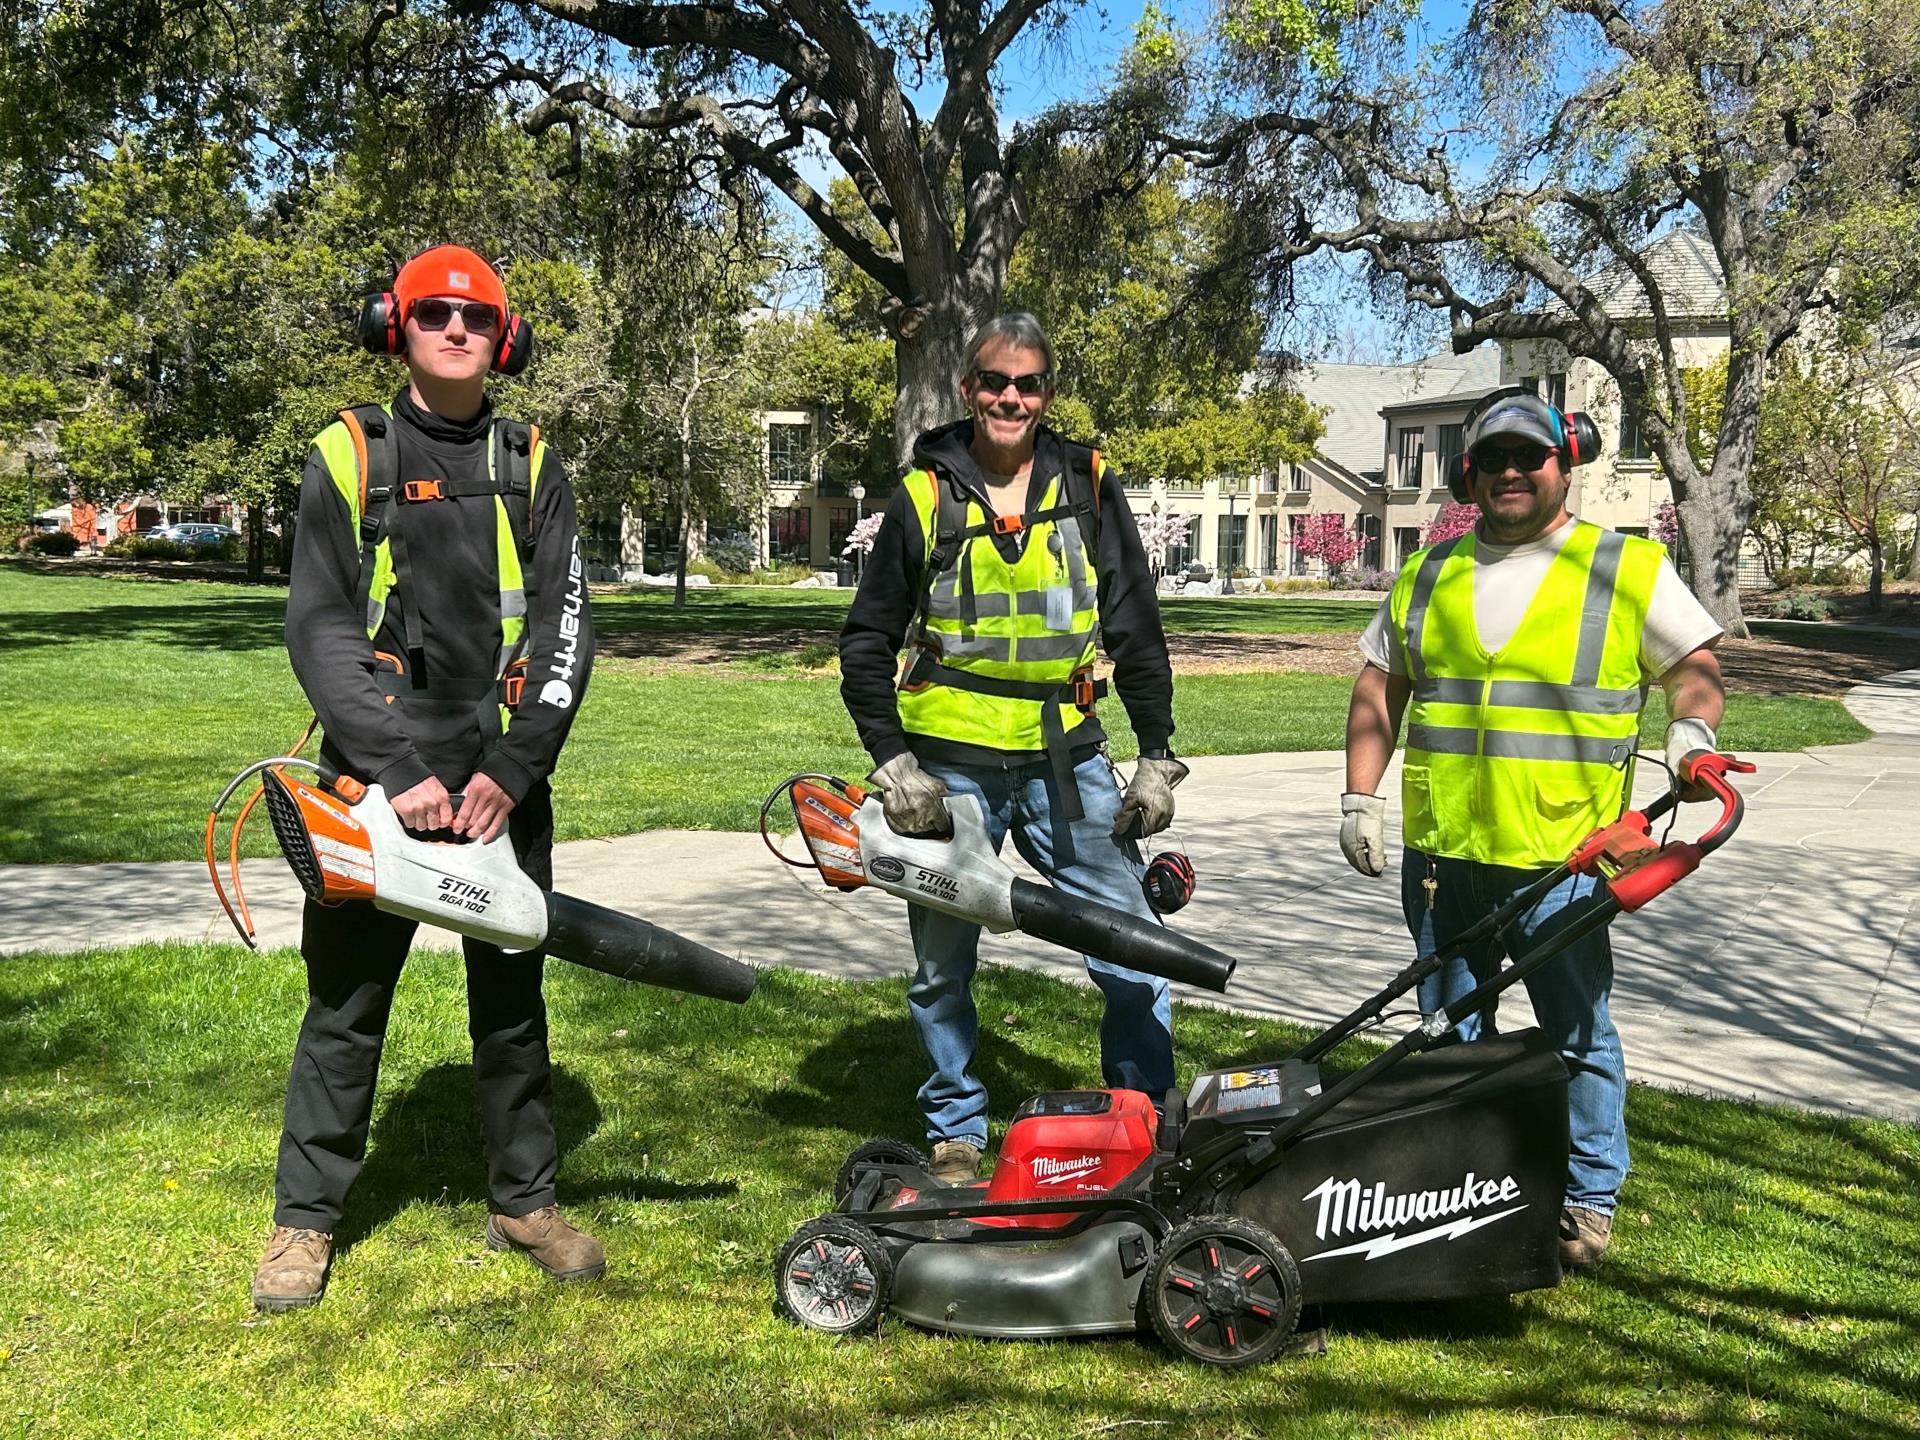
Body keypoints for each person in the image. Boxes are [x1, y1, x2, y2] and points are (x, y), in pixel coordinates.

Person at [251, 245, 598, 1310]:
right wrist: (395, 768)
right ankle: (303, 1225)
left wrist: (513, 763)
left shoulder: (531, 459)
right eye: (436, 313)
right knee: (346, 1006)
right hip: (375, 778)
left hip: (501, 775)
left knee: (512, 1001)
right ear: (393, 324)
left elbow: (567, 627)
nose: (458, 330)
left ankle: (525, 1200)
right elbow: (318, 625)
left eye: (479, 318)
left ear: (508, 340)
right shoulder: (349, 451)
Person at [1340, 388, 1728, 1270]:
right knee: (1450, 1037)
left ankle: (1588, 1200)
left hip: (1568, 859)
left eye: (1531, 457)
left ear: (1567, 462)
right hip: (1445, 859)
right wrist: (1359, 796)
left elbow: (1693, 668)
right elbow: (1379, 687)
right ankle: (1467, 1186)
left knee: (1576, 1031)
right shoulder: (1427, 573)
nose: (1512, 472)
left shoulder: (1623, 567)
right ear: (1466, 472)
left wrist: (1692, 735)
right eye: (1494, 459)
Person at [838, 312, 1188, 1185]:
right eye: (995, 381)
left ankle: (1145, 1116)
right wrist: (893, 762)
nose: (1010, 397)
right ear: (968, 387)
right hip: (948, 766)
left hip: (1065, 759)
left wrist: (1155, 753)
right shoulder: (925, 494)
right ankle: (957, 1127)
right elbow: (865, 642)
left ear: (1048, 394)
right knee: (942, 962)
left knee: (1132, 942)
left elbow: (1134, 623)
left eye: (1028, 384)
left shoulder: (1088, 485)